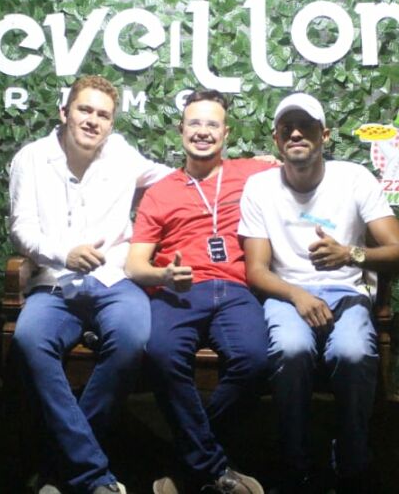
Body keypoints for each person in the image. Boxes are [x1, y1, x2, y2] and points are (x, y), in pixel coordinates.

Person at [238, 93, 399, 494]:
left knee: (352, 353)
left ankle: (352, 462)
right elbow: (257, 271)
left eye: (306, 126)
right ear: (276, 138)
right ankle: (295, 464)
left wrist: (350, 254)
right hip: (287, 293)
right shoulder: (260, 186)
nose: (296, 134)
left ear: (325, 135)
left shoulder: (353, 178)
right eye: (287, 128)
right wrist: (297, 295)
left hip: (347, 290)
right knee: (291, 350)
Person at [8, 75, 172, 494]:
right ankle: (92, 474)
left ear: (111, 124)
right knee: (29, 340)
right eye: (85, 110)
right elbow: (21, 230)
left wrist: (246, 169)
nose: (93, 120)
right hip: (54, 283)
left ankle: (60, 467)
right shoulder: (31, 158)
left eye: (103, 115)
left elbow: (176, 179)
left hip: (114, 280)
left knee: (133, 338)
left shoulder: (121, 154)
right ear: (64, 112)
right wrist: (65, 253)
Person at [125, 90, 271, 494]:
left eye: (212, 124)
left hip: (236, 288)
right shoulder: (160, 191)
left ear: (226, 132)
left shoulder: (254, 174)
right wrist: (164, 275)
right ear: (181, 129)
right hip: (179, 292)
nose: (203, 132)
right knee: (161, 354)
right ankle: (214, 466)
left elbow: (297, 169)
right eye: (195, 123)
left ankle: (187, 461)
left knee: (255, 359)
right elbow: (134, 265)